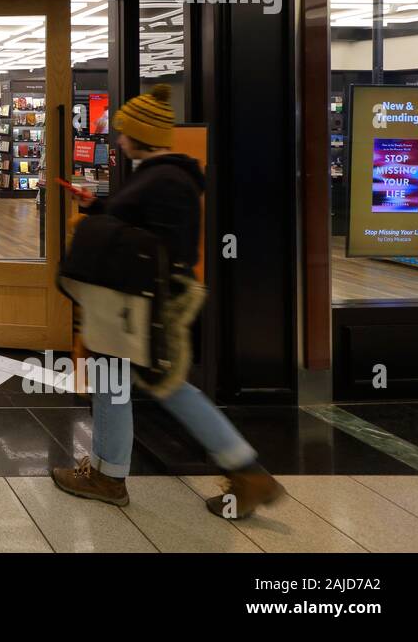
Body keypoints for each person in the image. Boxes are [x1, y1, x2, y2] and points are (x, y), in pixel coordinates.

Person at [52, 83, 285, 519]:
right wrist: (101, 207)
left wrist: (98, 220)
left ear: (140, 134)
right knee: (137, 380)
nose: (118, 140)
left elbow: (142, 242)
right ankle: (117, 471)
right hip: (147, 298)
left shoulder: (160, 180)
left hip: (145, 304)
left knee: (152, 383)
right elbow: (140, 228)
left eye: (124, 132)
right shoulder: (165, 176)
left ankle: (238, 471)